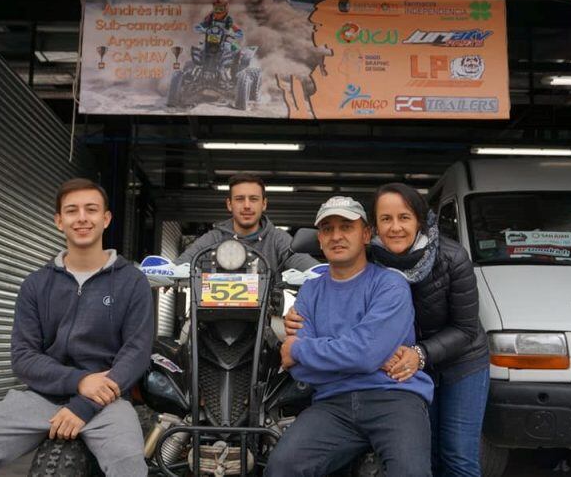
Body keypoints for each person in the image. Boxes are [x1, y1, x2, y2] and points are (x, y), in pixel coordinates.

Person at [0, 178, 154, 477]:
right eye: (72, 211)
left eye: (91, 209)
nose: (82, 218)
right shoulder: (36, 284)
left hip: (107, 401)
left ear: (106, 218)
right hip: (41, 396)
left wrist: (85, 404)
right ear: (59, 221)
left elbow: (135, 353)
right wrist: (81, 381)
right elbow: (23, 356)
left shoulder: (132, 282)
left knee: (128, 463)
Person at [286, 183, 489, 477]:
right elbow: (350, 349)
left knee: (457, 456)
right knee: (427, 457)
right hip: (396, 367)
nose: (395, 227)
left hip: (458, 359)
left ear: (419, 220)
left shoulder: (451, 258)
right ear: (374, 229)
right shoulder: (367, 258)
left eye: (404, 218)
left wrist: (414, 353)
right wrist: (366, 353)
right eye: (386, 219)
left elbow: (465, 327)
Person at [267, 196, 434, 477]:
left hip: (393, 398)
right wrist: (358, 355)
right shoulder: (309, 293)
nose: (337, 236)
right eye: (328, 229)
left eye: (346, 227)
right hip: (333, 403)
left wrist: (297, 349)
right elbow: (303, 373)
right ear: (320, 239)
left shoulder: (390, 285)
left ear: (366, 234)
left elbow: (365, 354)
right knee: (282, 467)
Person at [174, 172, 319, 272]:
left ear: (264, 204)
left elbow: (307, 266)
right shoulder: (214, 238)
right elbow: (182, 265)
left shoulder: (277, 238)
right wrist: (167, 275)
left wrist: (326, 274)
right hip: (214, 314)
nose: (247, 205)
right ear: (229, 204)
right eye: (240, 199)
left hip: (265, 314)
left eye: (254, 199)